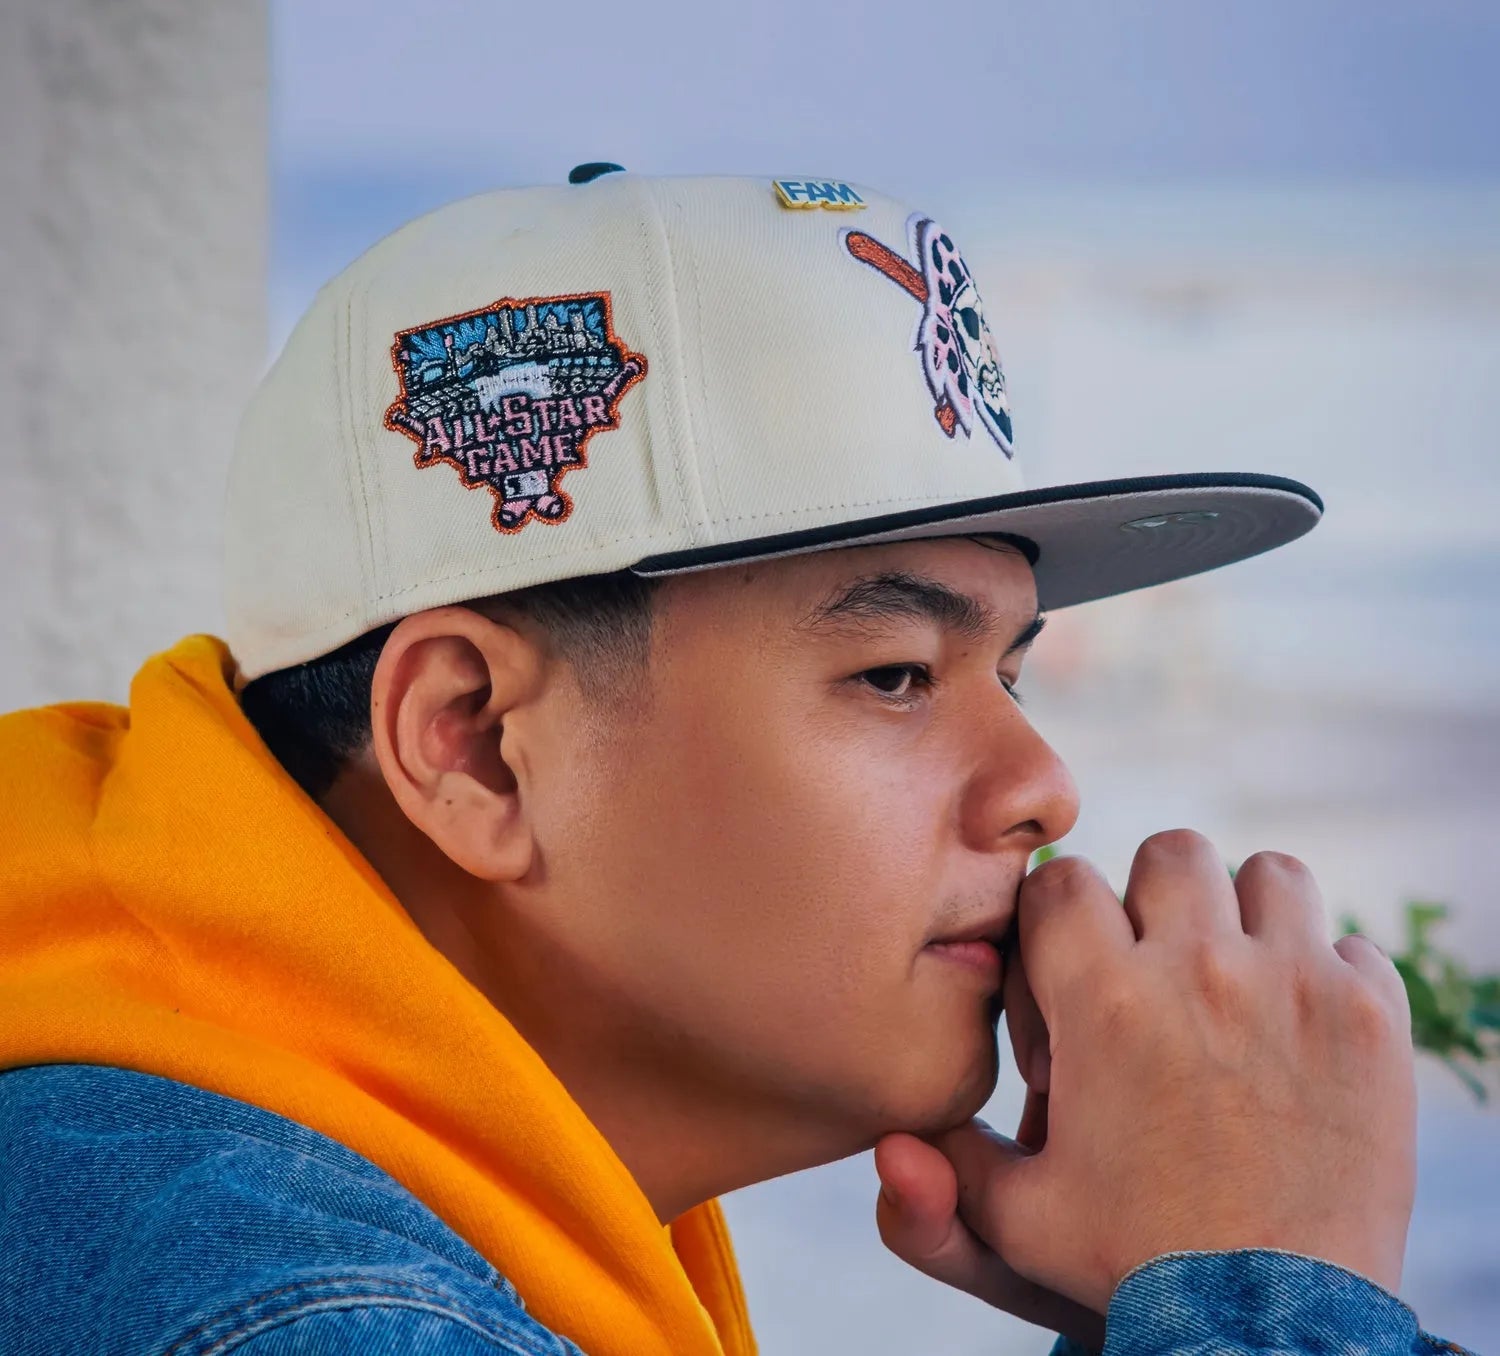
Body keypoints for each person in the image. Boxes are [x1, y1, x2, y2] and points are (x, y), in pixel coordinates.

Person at [0, 168, 1476, 1356]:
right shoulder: (293, 1311)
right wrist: (1264, 1284)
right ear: (475, 747)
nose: (1043, 786)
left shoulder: (215, 1151)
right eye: (896, 674)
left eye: (1012, 671)